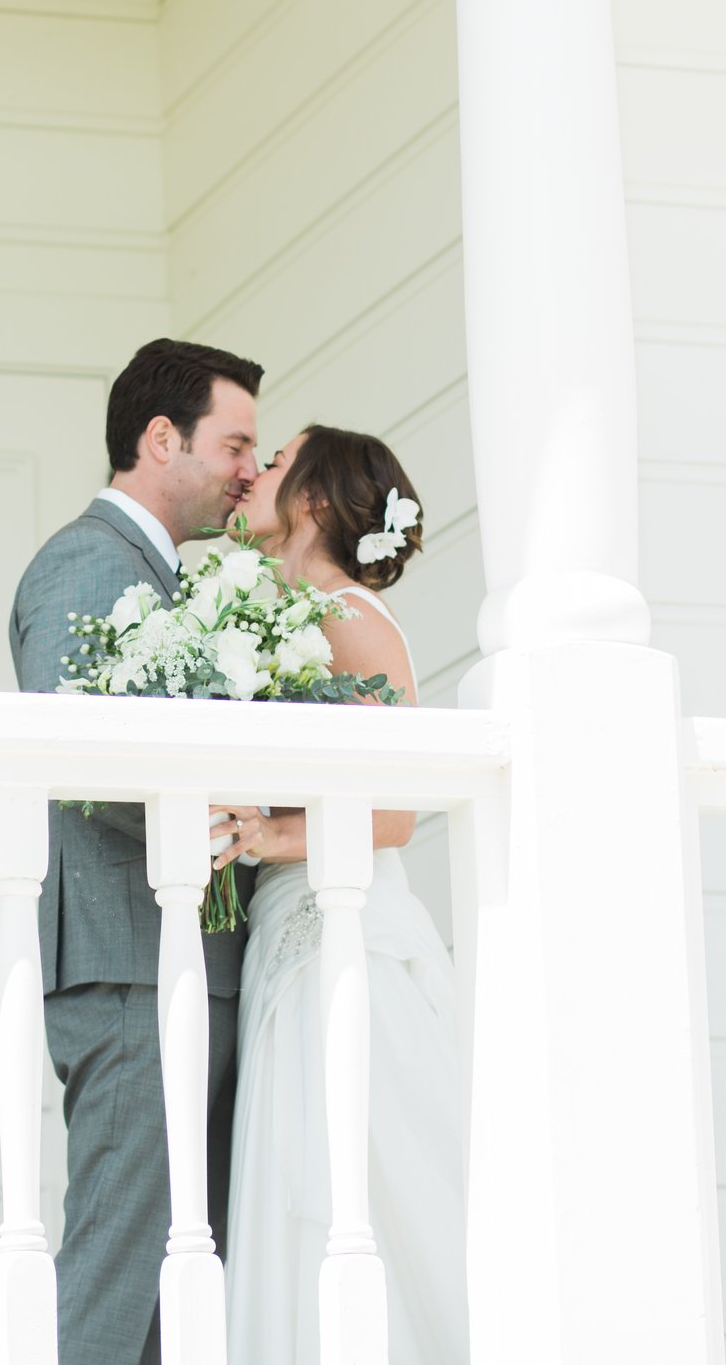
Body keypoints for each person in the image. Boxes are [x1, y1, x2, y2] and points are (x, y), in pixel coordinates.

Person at [7, 337, 266, 1365]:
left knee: (174, 1286)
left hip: (179, 963)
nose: (251, 466)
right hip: (126, 964)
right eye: (234, 440)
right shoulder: (84, 562)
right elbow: (86, 749)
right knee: (114, 1277)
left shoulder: (163, 578)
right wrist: (230, 815)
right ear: (161, 439)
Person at [209, 425, 468, 1365]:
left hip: (343, 936)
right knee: (296, 1181)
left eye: (275, 462)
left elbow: (393, 811)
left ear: (314, 499)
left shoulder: (349, 615)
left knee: (368, 1179)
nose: (255, 472)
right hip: (290, 929)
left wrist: (271, 835)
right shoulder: (277, 614)